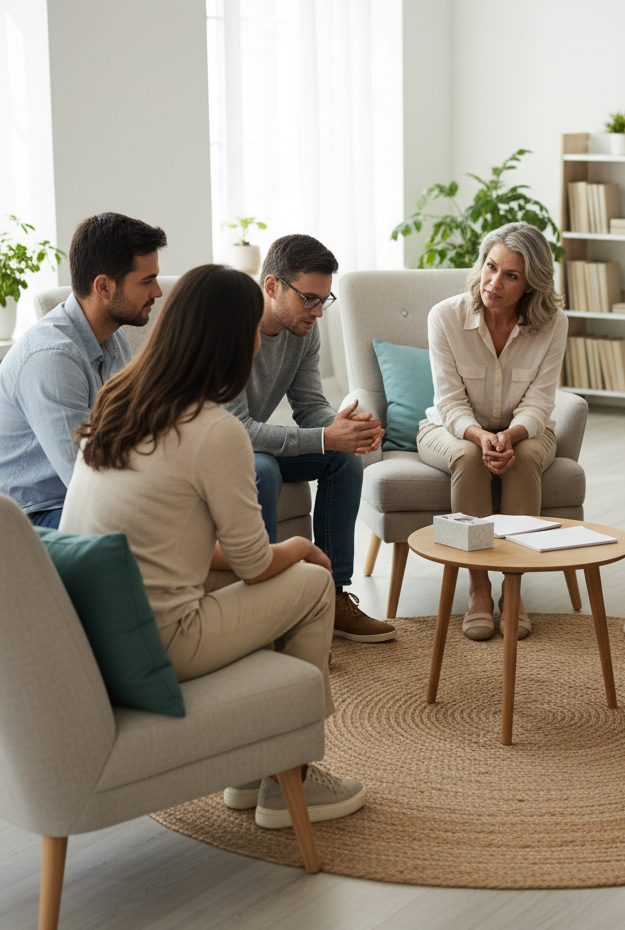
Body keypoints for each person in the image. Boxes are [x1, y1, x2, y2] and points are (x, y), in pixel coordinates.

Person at [60, 265, 366, 829]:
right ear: (231, 338)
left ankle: (251, 763)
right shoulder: (212, 430)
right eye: (253, 328)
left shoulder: (119, 401)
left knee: (285, 576)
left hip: (98, 632)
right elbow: (254, 564)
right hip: (163, 640)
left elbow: (170, 546)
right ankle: (289, 776)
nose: (259, 340)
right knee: (313, 585)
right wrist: (302, 548)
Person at [224, 234, 394, 644]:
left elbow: (309, 405)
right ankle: (263, 608)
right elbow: (238, 430)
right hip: (217, 448)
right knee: (262, 467)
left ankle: (332, 594)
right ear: (271, 286)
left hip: (246, 440)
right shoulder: (230, 329)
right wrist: (325, 437)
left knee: (343, 459)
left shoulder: (304, 330)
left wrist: (345, 428)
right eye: (309, 299)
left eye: (324, 300)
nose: (318, 312)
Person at [417, 222, 568, 642]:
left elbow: (539, 403)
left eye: (510, 275)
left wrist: (510, 436)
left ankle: (514, 592)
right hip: (450, 428)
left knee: (520, 461)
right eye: (490, 267)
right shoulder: (445, 317)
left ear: (531, 285)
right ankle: (479, 589)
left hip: (525, 429)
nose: (494, 282)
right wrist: (482, 438)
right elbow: (449, 403)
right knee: (468, 457)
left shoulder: (554, 324)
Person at [0, 212, 164, 527]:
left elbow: (127, 434)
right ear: (103, 286)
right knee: (146, 525)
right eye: (147, 280)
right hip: (34, 514)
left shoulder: (113, 337)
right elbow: (84, 477)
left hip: (77, 493)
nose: (157, 292)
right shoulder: (52, 358)